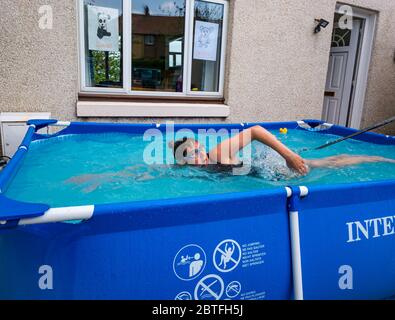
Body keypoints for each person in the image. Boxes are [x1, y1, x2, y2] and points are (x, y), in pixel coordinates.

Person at [169, 125, 395, 175]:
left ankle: (381, 159)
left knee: (330, 163)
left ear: (201, 146)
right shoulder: (201, 169)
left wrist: (289, 156)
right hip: (262, 170)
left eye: (196, 151)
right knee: (325, 162)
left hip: (276, 168)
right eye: (189, 158)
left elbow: (256, 131)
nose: (196, 158)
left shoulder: (218, 153)